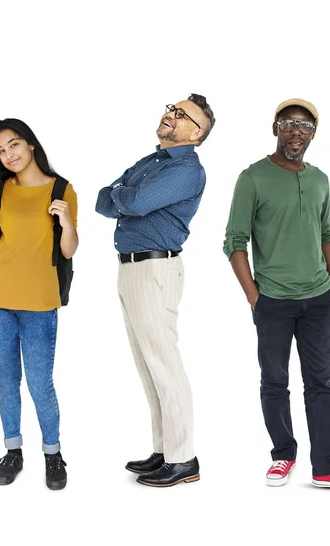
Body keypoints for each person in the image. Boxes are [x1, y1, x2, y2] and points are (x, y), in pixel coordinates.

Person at [223, 98, 330, 492]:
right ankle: (283, 454)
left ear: (313, 134)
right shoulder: (252, 178)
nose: (296, 131)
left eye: (305, 126)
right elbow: (234, 241)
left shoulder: (320, 179)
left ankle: (327, 466)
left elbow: (326, 234)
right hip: (273, 300)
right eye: (289, 123)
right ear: (275, 127)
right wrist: (254, 297)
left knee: (321, 383)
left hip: (319, 299)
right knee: (274, 382)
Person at [95, 93, 215, 487]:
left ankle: (184, 460)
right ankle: (164, 450)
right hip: (130, 269)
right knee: (147, 365)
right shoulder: (152, 161)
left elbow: (137, 200)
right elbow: (104, 198)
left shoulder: (188, 170)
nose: (171, 115)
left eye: (182, 115)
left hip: (155, 269)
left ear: (196, 134)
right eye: (172, 108)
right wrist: (122, 196)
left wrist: (123, 196)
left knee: (164, 364)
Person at [0, 118, 78, 489]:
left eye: (14, 145)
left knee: (40, 384)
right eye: (1, 150)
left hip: (39, 303)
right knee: (6, 382)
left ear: (31, 144)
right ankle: (13, 450)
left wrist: (66, 222)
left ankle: (53, 454)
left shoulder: (62, 190)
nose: (8, 154)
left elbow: (68, 250)